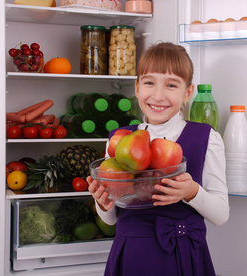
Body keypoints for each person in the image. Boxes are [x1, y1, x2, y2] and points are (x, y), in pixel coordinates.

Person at [86, 42, 229, 276]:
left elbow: (221, 214)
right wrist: (103, 203)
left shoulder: (206, 138)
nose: (158, 95)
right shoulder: (117, 140)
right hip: (131, 253)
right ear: (137, 87)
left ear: (187, 93)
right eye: (149, 83)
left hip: (182, 253)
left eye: (171, 85)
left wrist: (191, 191)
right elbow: (110, 220)